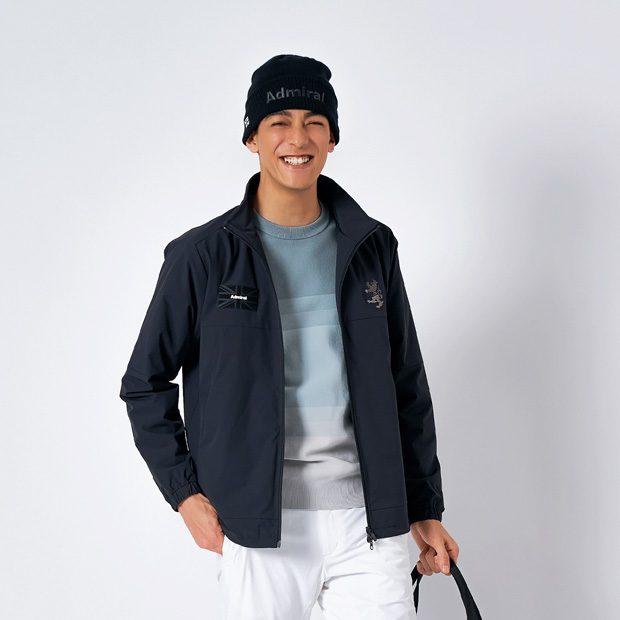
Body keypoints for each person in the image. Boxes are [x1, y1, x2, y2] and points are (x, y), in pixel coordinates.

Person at [120, 54, 459, 620]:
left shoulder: (372, 246)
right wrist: (184, 496)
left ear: (332, 139)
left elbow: (406, 385)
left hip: (370, 523)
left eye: (314, 123)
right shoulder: (202, 257)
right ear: (252, 138)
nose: (297, 139)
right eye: (279, 122)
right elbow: (144, 383)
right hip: (258, 527)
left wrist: (424, 507)